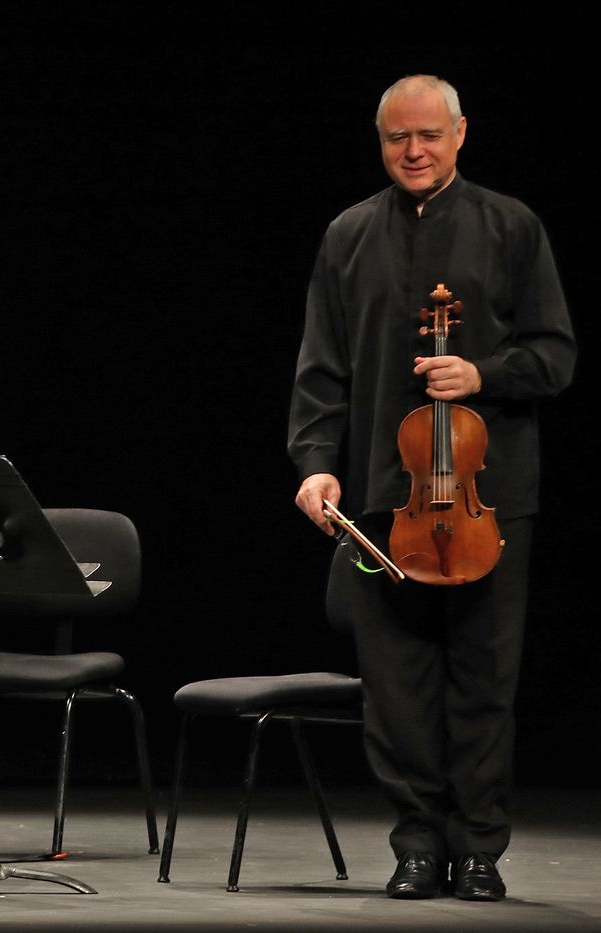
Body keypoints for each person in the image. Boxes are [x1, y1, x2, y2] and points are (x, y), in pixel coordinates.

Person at [289, 75, 575, 901]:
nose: (412, 151)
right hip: (386, 493)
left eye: (428, 136)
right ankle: (417, 843)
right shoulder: (347, 234)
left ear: (459, 135)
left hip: (490, 498)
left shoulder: (511, 226)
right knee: (398, 688)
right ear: (381, 142)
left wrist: (484, 370)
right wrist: (315, 460)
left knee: (485, 681)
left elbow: (556, 354)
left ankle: (479, 849)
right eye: (395, 138)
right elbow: (321, 369)